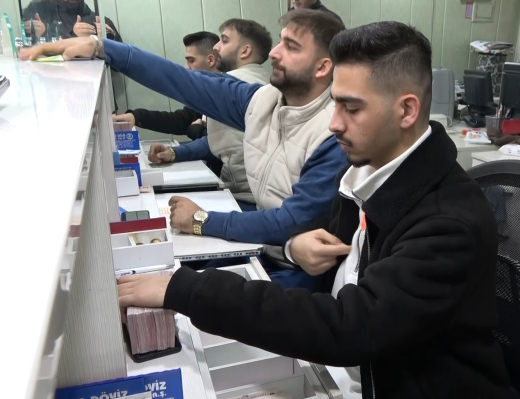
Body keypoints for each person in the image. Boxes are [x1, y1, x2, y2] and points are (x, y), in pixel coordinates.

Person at [115, 21, 509, 399]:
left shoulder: (448, 223)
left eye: (352, 108)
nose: (334, 123)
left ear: (406, 110)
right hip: (348, 374)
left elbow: (348, 327)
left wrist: (187, 290)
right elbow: (330, 258)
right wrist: (292, 246)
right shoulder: (366, 171)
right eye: (335, 104)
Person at [20, 10, 348, 291]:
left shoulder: (333, 134)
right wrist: (102, 48)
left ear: (322, 67)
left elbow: (289, 222)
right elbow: (183, 81)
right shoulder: (263, 101)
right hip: (269, 247)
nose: (274, 53)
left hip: (301, 269)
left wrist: (201, 220)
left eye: (290, 47)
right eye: (279, 42)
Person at [144, 19, 274, 209]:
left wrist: (112, 51)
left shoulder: (233, 85)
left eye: (224, 40)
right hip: (251, 196)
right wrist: (174, 152)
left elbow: (172, 78)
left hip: (249, 201)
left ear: (245, 51)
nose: (216, 46)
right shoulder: (264, 80)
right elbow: (218, 139)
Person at [112, 31, 221, 143]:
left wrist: (196, 131)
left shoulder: (225, 94)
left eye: (191, 61)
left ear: (211, 60)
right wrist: (135, 117)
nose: (186, 67)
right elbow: (183, 120)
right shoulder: (204, 92)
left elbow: (220, 141)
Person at [22, 0, 121, 42]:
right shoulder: (35, 11)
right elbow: (19, 52)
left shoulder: (99, 22)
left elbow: (120, 63)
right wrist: (39, 36)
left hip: (87, 78)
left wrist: (104, 41)